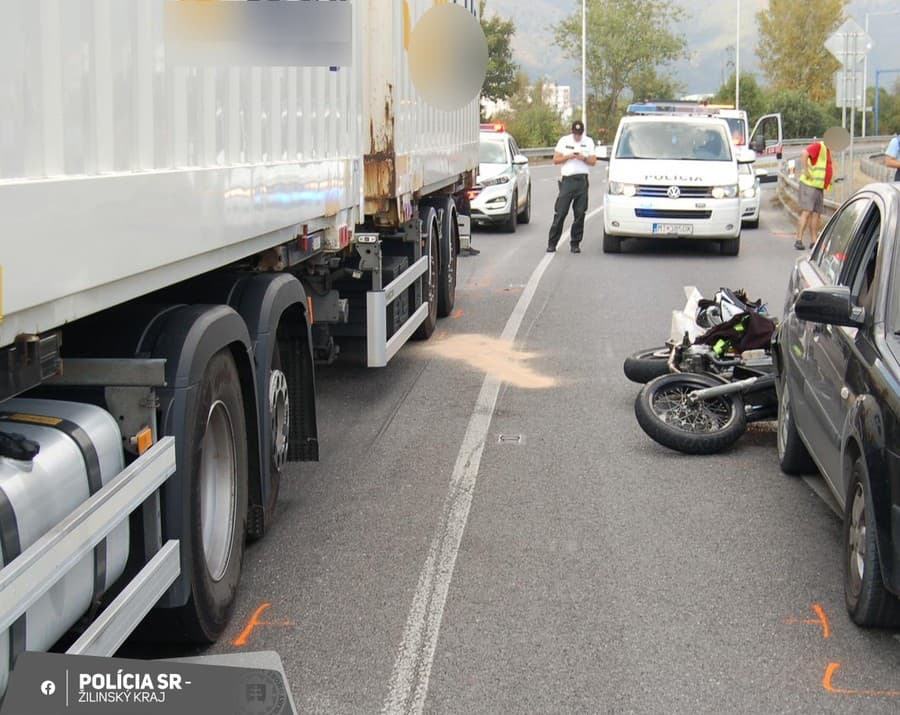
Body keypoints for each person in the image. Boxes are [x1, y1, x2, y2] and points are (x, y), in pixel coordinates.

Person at [547, 120, 596, 253]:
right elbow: (555, 160)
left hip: (582, 181)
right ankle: (552, 243)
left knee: (580, 214)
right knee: (561, 212)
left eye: (579, 134)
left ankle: (575, 243)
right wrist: (568, 156)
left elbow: (593, 161)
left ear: (582, 132)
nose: (577, 137)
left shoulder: (588, 142)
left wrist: (583, 158)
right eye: (575, 134)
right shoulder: (564, 141)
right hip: (568, 181)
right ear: (572, 132)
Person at [794, 137, 833, 250]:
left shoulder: (827, 151)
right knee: (807, 212)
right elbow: (804, 153)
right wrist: (806, 171)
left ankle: (814, 241)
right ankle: (799, 239)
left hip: (818, 186)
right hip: (809, 184)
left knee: (816, 213)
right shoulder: (820, 146)